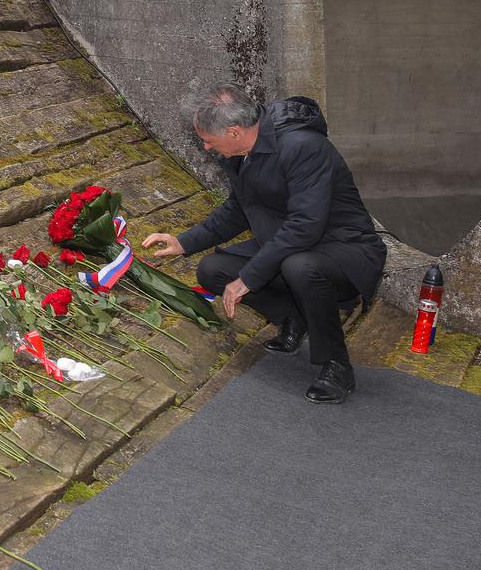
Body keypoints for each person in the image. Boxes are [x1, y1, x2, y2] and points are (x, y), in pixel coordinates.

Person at [142, 84, 386, 403]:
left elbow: (305, 225)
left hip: (345, 249)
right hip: (290, 246)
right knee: (213, 270)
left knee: (298, 266)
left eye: (207, 140)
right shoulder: (241, 152)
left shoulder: (303, 146)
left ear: (233, 131)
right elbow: (239, 209)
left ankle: (336, 364)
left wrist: (248, 279)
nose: (205, 147)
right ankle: (295, 318)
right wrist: (184, 242)